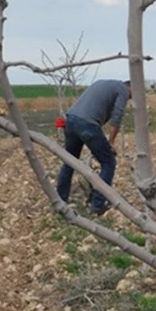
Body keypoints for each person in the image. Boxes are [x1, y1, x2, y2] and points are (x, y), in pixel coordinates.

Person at [54, 78, 130, 215]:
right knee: (108, 162)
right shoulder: (123, 91)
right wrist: (110, 143)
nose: (130, 99)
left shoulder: (104, 83)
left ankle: (60, 201)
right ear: (132, 88)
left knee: (70, 162)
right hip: (87, 124)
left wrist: (98, 145)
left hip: (70, 120)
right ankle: (97, 204)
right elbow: (117, 117)